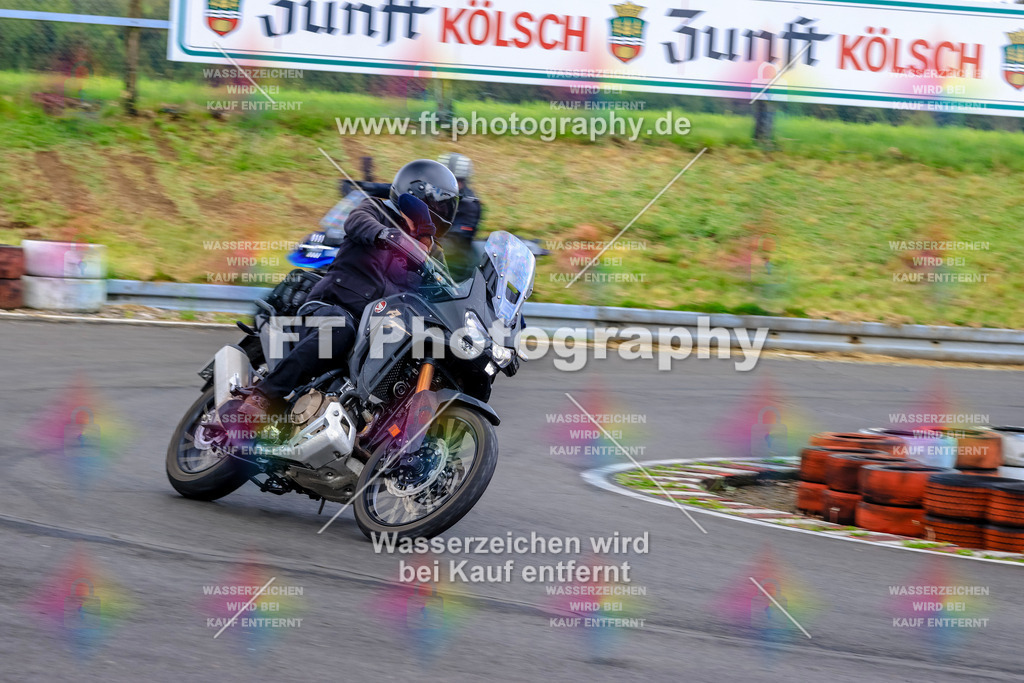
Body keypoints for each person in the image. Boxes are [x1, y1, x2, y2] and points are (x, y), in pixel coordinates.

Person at [234, 159, 460, 420]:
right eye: (439, 202)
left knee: (408, 363)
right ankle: (263, 395)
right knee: (340, 329)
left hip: (378, 332)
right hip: (334, 307)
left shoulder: (433, 254)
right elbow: (357, 222)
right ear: (419, 195)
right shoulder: (376, 210)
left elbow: (445, 292)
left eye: (448, 205)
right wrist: (385, 235)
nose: (443, 209)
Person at [437, 152, 483, 280]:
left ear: (464, 181)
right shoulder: (437, 194)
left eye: (457, 180)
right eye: (446, 178)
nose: (451, 183)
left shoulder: (469, 206)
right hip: (431, 257)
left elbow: (454, 242)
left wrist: (419, 245)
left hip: (454, 268)